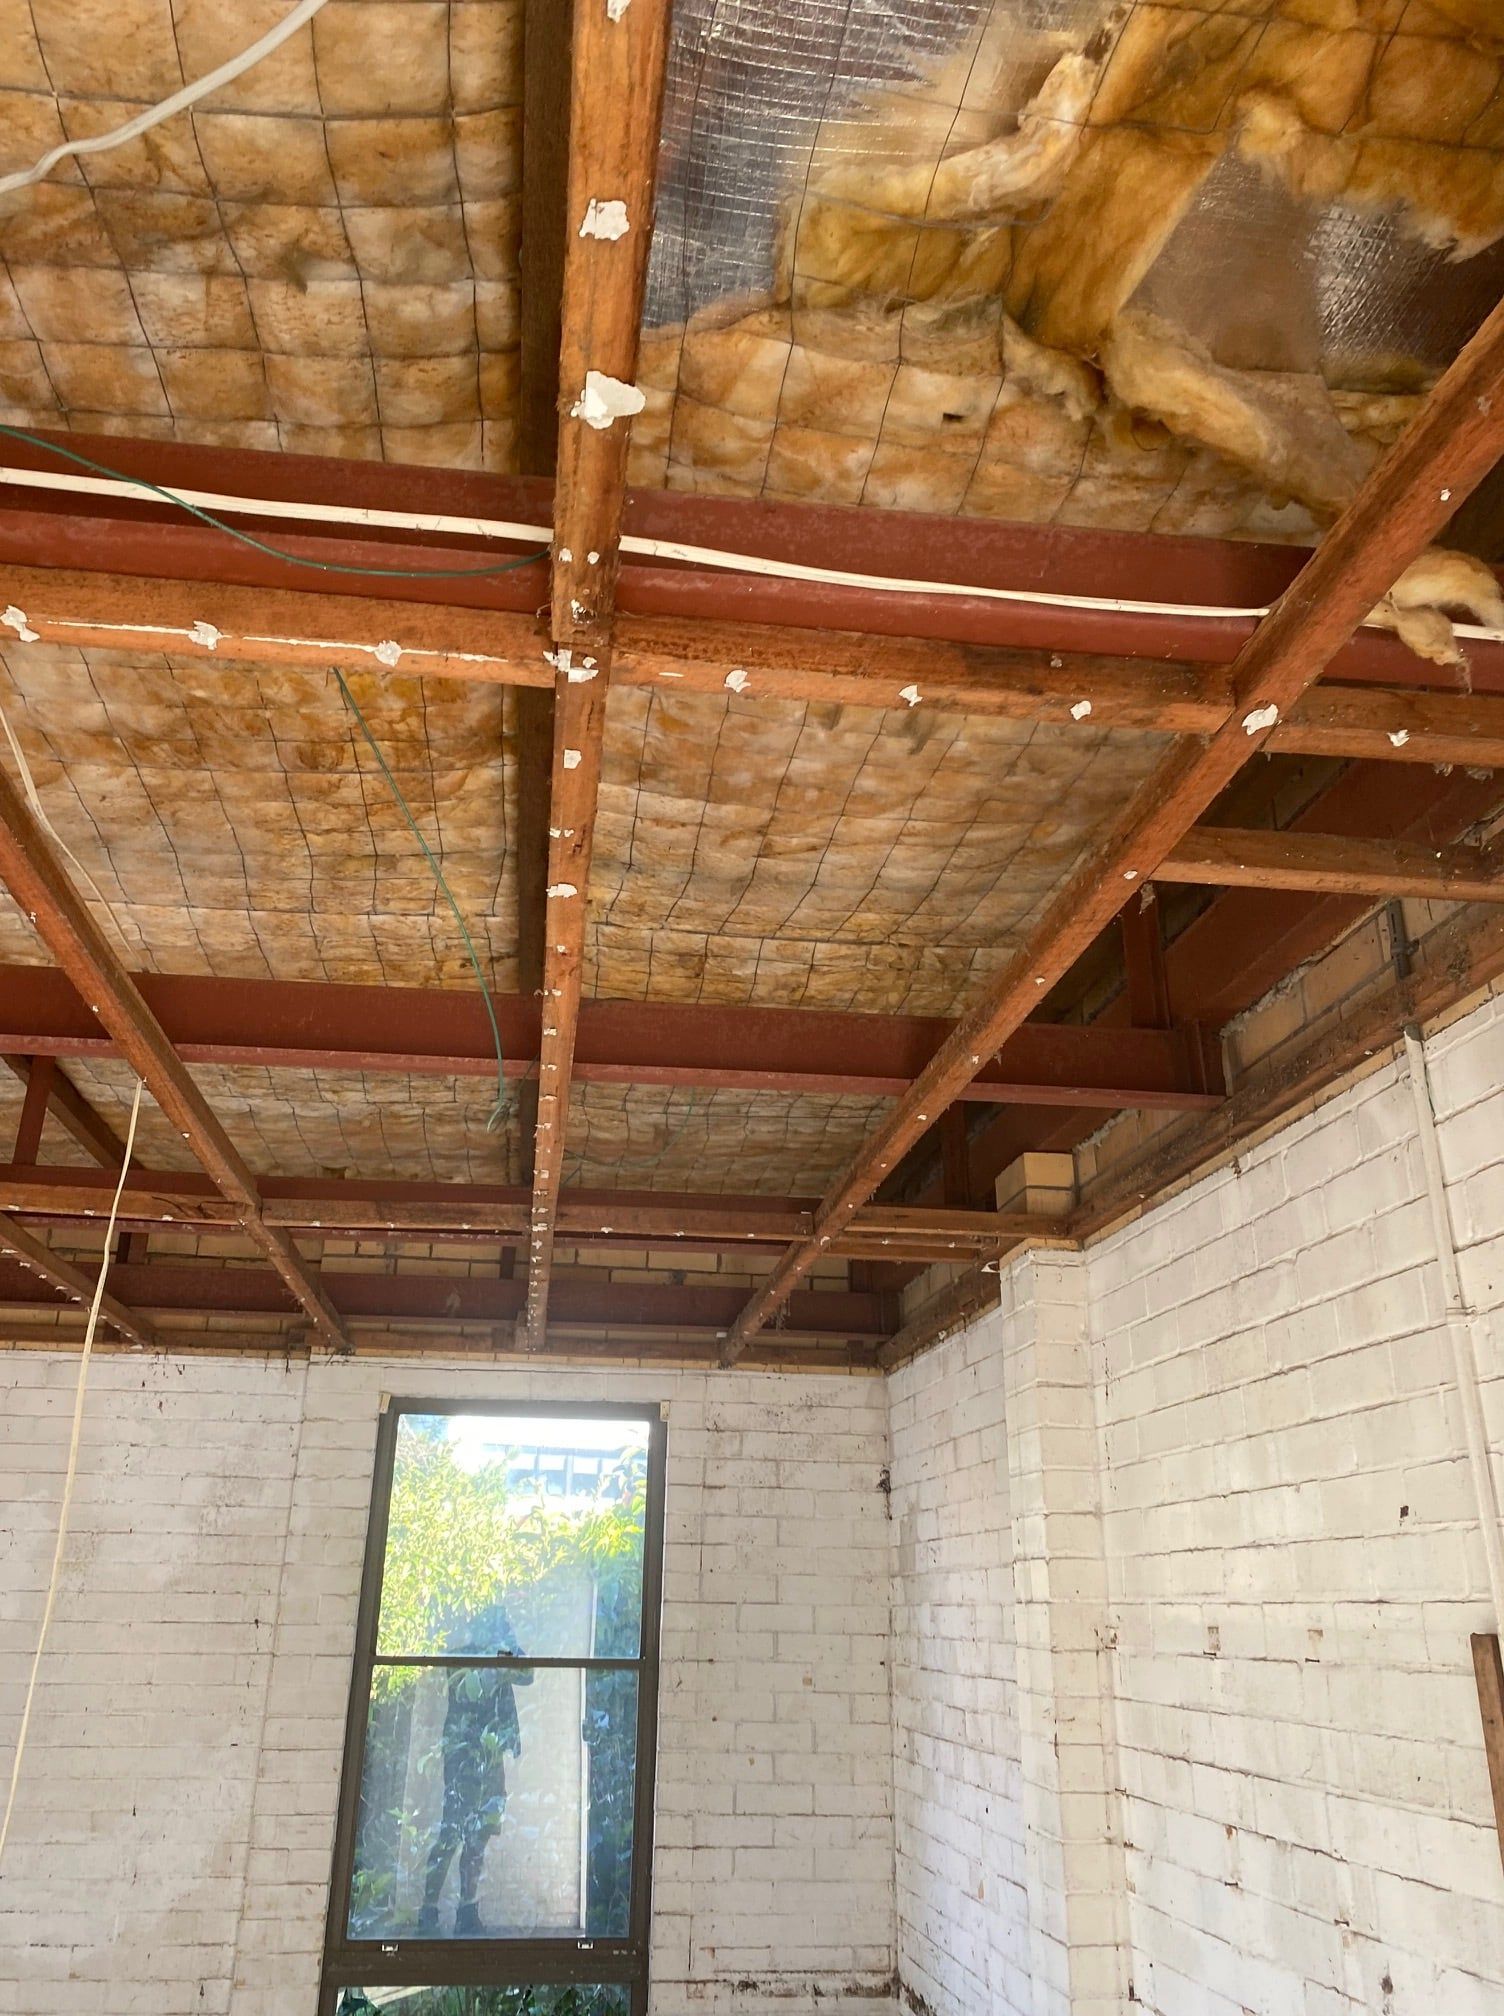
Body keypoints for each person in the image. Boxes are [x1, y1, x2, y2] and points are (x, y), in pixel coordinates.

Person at [417, 1602, 532, 1937]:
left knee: (480, 1834)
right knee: (451, 1831)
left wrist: (507, 1650)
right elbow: (471, 1689)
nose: (503, 1629)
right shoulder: (461, 1653)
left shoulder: (502, 1653)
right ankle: (428, 1912)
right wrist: (499, 1662)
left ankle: (468, 1911)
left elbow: (529, 1673)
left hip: (491, 1756)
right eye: (499, 1623)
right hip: (464, 1757)